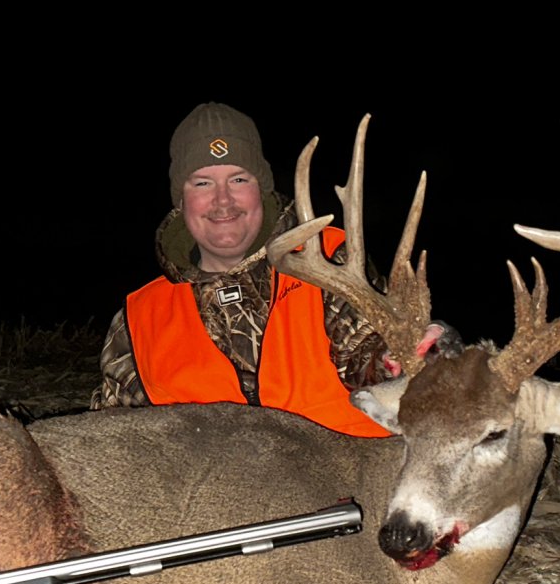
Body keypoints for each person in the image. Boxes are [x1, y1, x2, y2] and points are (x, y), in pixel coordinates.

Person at [90, 102, 450, 437]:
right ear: (181, 199)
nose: (223, 200)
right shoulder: (139, 319)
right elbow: (114, 436)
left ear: (261, 189)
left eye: (238, 179)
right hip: (207, 485)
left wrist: (397, 356)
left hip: (350, 477)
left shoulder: (329, 262)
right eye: (202, 183)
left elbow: (365, 344)